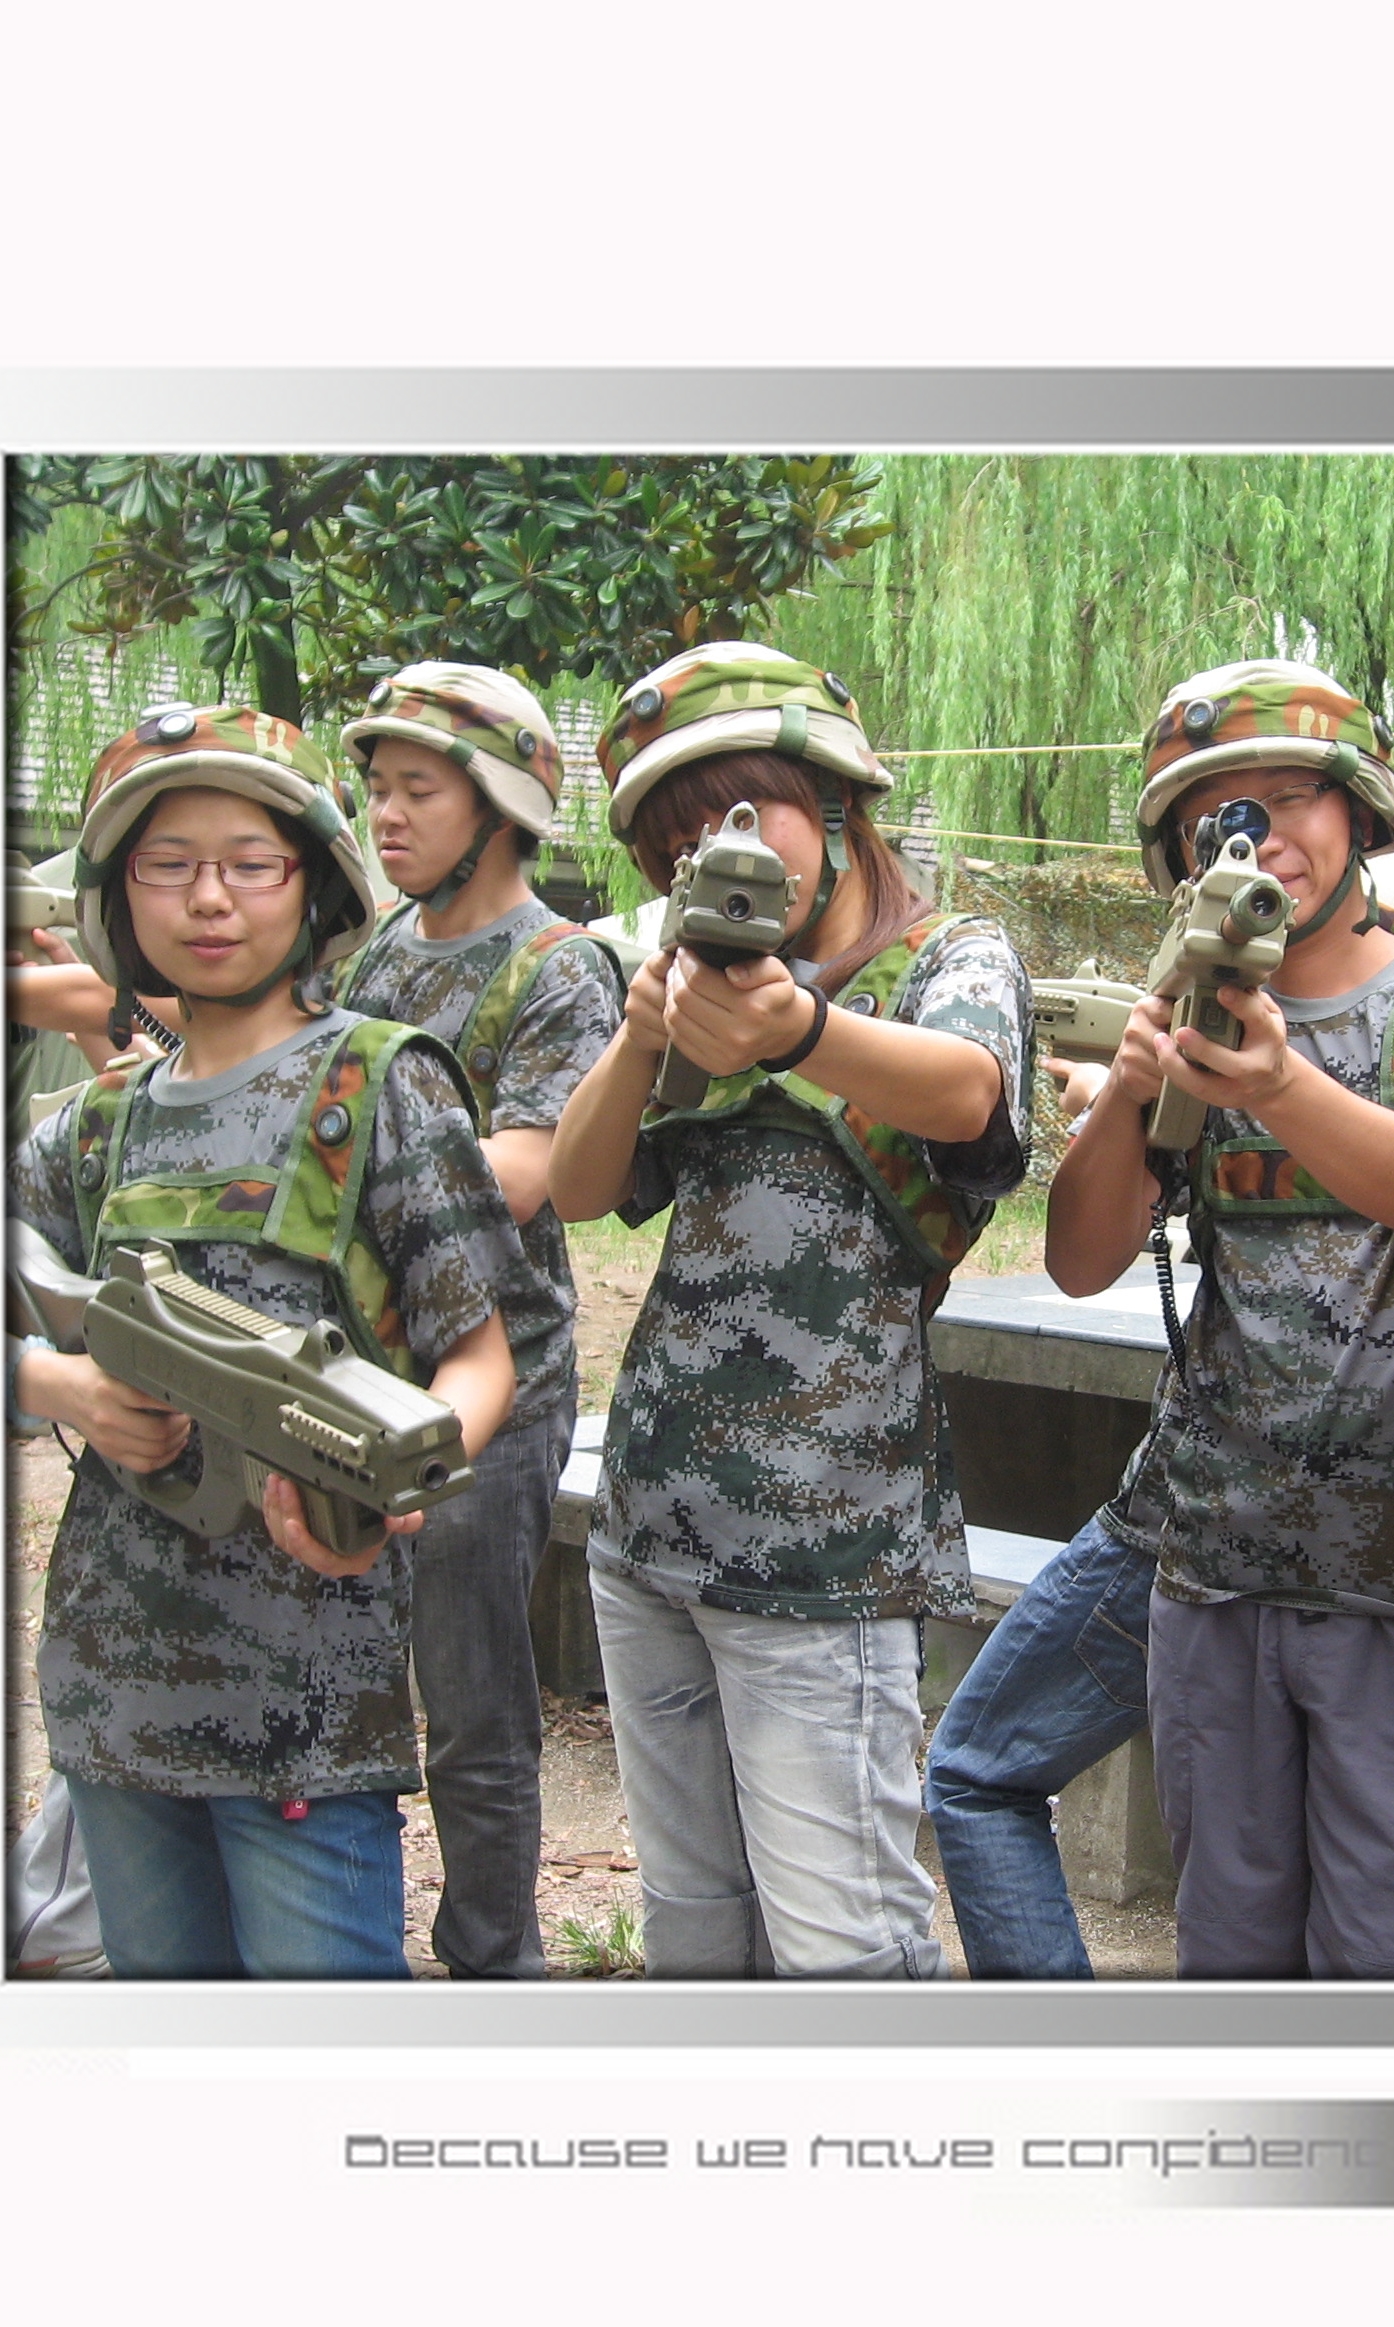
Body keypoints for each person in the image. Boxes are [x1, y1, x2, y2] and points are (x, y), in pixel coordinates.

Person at [938, 660, 1394, 1981]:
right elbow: (1083, 1257)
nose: (1257, 835)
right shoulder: (1190, 1018)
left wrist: (1270, 1081)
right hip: (1218, 1577)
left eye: (1289, 798)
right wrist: (1134, 1088)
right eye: (1218, 816)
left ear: (1359, 810)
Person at [7, 705, 520, 1979]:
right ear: (118, 895)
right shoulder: (94, 1129)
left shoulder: (381, 1088)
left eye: (250, 861)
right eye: (168, 864)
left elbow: (479, 1356)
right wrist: (58, 1381)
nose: (209, 897)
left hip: (307, 1696)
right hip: (116, 1691)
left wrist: (398, 1479)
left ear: (313, 883)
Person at [546, 643, 1033, 1979]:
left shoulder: (948, 954)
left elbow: (968, 1093)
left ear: (835, 801)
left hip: (826, 1553)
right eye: (680, 842)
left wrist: (797, 1031)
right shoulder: (686, 993)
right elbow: (579, 1187)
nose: (719, 852)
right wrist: (644, 1035)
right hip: (649, 1525)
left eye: (747, 813)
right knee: (695, 1930)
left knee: (845, 1950)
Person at [328, 662, 619, 1980]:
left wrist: (328, 1164)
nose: (385, 814)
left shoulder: (558, 968)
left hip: (498, 1386)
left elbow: (529, 1169)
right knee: (345, 1667)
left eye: (417, 790)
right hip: (364, 1368)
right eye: (378, 788)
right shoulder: (382, 949)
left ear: (500, 806)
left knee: (470, 1701)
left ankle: (497, 1963)